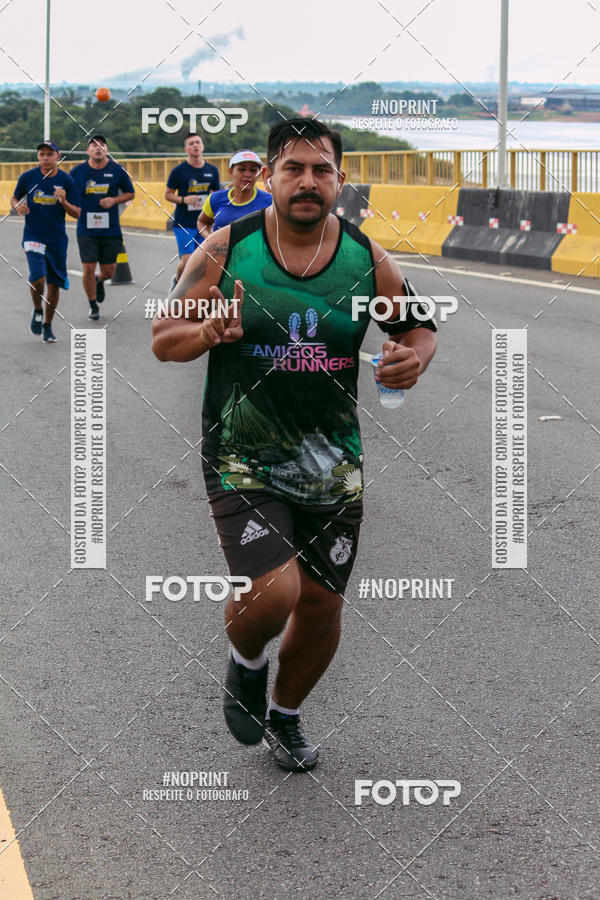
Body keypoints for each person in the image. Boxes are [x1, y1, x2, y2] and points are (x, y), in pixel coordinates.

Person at [152, 118, 437, 772]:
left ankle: (284, 714)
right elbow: (164, 336)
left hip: (333, 463)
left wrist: (412, 360)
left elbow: (420, 330)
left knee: (321, 606)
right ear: (271, 177)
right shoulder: (227, 248)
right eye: (294, 168)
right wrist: (207, 334)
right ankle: (247, 662)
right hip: (242, 454)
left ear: (340, 180)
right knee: (275, 594)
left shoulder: (368, 260)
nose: (308, 181)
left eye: (322, 170)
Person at [11, 140, 80, 343]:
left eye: (49, 154)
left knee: (54, 285)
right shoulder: (28, 177)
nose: (45, 158)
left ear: (58, 156)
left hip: (57, 240)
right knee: (37, 277)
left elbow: (77, 213)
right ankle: (37, 309)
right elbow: (15, 198)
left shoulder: (67, 181)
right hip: (33, 235)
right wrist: (18, 207)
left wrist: (64, 201)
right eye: (41, 154)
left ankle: (48, 325)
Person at [69, 135, 135, 320]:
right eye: (94, 146)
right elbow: (67, 193)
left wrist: (114, 199)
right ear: (87, 151)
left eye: (102, 145)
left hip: (111, 229)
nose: (98, 148)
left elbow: (130, 193)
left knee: (109, 271)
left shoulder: (117, 170)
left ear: (106, 150)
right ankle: (93, 305)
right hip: (86, 228)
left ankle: (99, 281)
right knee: (88, 267)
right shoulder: (77, 172)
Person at [165, 133, 220, 290]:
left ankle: (194, 292)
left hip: (204, 223)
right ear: (186, 149)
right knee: (188, 260)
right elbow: (167, 195)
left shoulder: (212, 170)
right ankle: (177, 281)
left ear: (202, 146)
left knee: (203, 262)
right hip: (184, 223)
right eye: (191, 143)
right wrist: (184, 200)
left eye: (197, 142)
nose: (195, 145)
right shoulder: (179, 171)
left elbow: (216, 195)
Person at [196, 149, 271, 237]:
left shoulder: (269, 201)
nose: (247, 174)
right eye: (242, 169)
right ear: (230, 172)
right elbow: (202, 222)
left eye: (253, 170)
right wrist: (210, 241)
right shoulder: (215, 199)